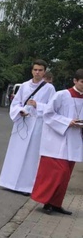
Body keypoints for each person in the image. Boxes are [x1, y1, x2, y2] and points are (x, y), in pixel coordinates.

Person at [0, 60, 56, 195]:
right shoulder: (24, 86)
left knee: (32, 155)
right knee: (15, 152)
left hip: (37, 124)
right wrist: (20, 110)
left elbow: (53, 108)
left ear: (44, 71)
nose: (37, 72)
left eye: (40, 70)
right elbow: (16, 103)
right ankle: (9, 181)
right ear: (32, 70)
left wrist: (38, 105)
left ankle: (26, 186)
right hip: (23, 122)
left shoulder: (49, 88)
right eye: (35, 69)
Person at [31, 69, 83, 215]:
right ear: (75, 81)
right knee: (58, 172)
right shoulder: (61, 95)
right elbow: (48, 114)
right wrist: (67, 122)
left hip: (73, 141)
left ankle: (56, 204)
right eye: (82, 82)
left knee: (66, 175)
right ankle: (46, 202)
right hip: (56, 140)